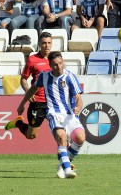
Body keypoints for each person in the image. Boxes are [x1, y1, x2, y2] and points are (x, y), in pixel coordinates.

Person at [16, 51, 85, 179]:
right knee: (61, 138)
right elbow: (33, 89)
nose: (58, 67)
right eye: (54, 65)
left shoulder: (70, 76)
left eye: (60, 63)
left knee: (80, 138)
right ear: (50, 65)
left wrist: (78, 107)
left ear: (63, 62)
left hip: (70, 114)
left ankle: (63, 164)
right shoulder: (44, 76)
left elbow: (78, 97)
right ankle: (68, 170)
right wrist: (22, 103)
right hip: (54, 113)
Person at [5, 32, 52, 140]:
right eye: (44, 43)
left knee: (61, 128)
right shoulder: (32, 59)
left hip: (53, 101)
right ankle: (18, 123)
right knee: (31, 135)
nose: (47, 45)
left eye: (49, 43)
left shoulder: (55, 59)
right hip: (38, 102)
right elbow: (23, 79)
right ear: (39, 44)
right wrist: (27, 92)